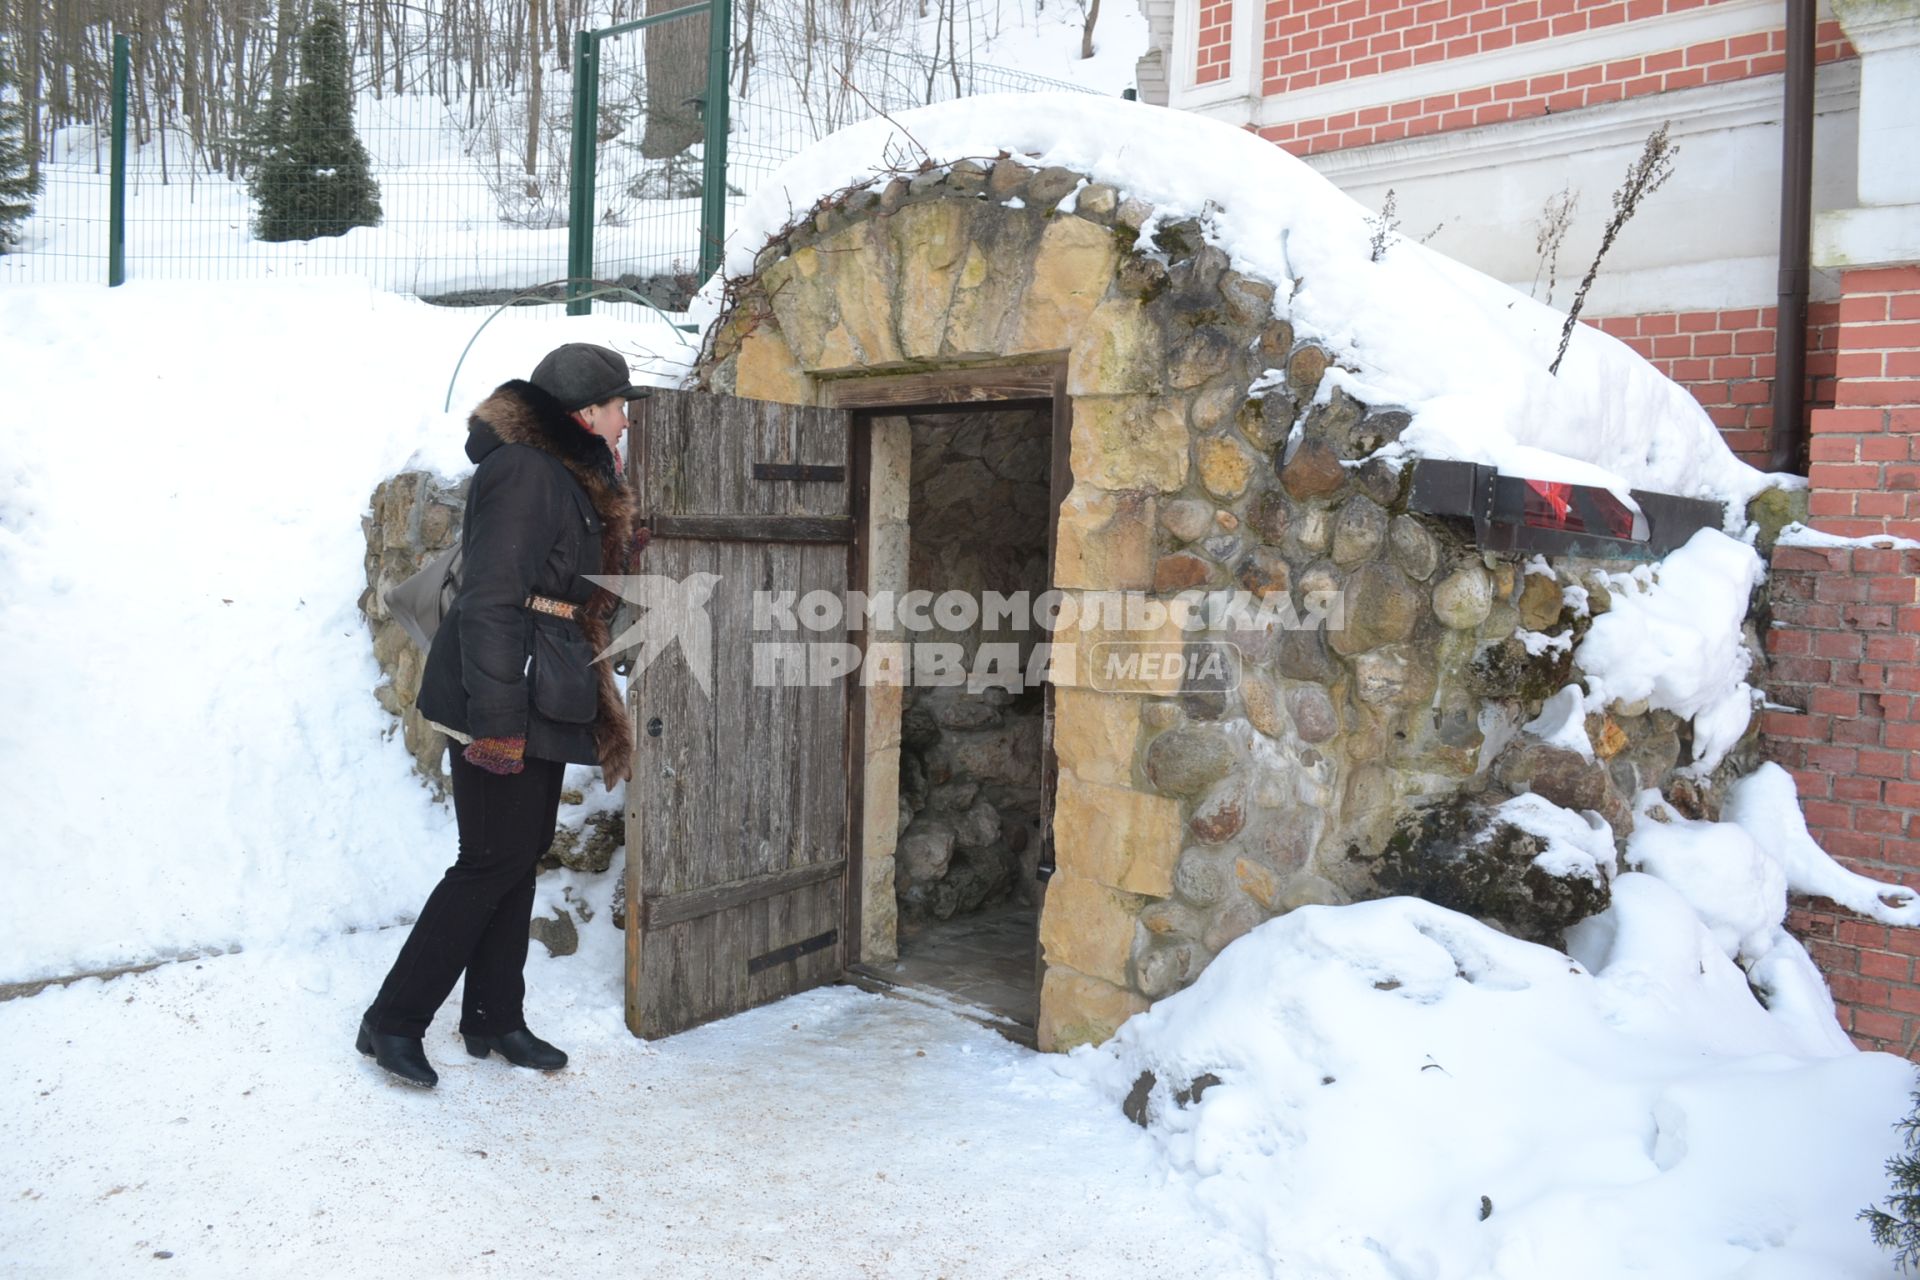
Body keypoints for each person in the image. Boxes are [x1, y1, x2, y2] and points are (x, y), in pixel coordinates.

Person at [358, 343, 643, 1089]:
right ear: (585, 413)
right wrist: (496, 719)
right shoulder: (524, 470)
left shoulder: (568, 475)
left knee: (518, 854)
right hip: (504, 686)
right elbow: (489, 597)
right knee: (488, 861)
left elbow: (566, 582)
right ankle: (392, 1020)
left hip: (542, 679)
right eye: (619, 406)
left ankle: (494, 1017)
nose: (624, 420)